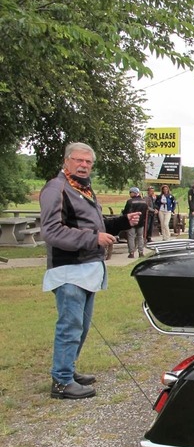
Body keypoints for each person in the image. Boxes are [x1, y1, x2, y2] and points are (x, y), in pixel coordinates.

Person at [39, 142, 141, 399]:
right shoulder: (57, 188)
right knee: (70, 326)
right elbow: (51, 232)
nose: (84, 165)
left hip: (87, 269)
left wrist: (120, 222)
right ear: (66, 161)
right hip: (69, 269)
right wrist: (93, 238)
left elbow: (92, 223)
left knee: (81, 326)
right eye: (79, 160)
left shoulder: (82, 189)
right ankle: (61, 381)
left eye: (88, 162)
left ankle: (67, 370)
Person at [122, 187, 148, 258]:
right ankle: (141, 252)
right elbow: (146, 212)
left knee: (131, 237)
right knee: (140, 237)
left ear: (134, 193)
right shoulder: (144, 202)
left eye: (130, 192)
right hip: (141, 222)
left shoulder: (130, 201)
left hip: (131, 222)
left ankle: (131, 253)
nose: (130, 194)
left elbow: (126, 212)